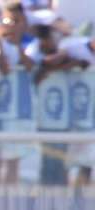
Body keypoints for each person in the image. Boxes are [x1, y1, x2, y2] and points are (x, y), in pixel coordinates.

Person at [0, 1, 36, 186]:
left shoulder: (30, 43)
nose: (11, 25)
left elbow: (31, 66)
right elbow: (3, 67)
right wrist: (0, 41)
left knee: (13, 160)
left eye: (16, 21)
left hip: (19, 112)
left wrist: (17, 46)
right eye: (7, 20)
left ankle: (10, 200)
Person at [26, 24, 72, 185]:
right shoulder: (33, 56)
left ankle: (63, 204)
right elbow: (42, 67)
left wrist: (54, 67)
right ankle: (46, 205)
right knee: (46, 168)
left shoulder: (64, 53)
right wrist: (48, 68)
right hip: (42, 123)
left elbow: (73, 61)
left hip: (62, 124)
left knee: (62, 167)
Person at [65, 33, 95, 190]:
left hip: (91, 120)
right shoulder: (74, 48)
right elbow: (52, 62)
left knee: (87, 163)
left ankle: (80, 201)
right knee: (67, 163)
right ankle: (65, 200)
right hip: (73, 119)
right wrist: (74, 63)